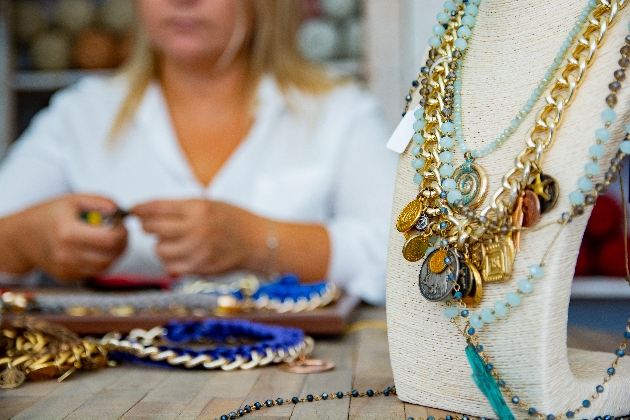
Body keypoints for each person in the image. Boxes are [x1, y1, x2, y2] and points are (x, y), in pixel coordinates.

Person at [0, 0, 397, 305]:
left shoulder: (341, 111)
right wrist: (22, 241)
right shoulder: (78, 116)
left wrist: (259, 242)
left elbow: (404, 256)